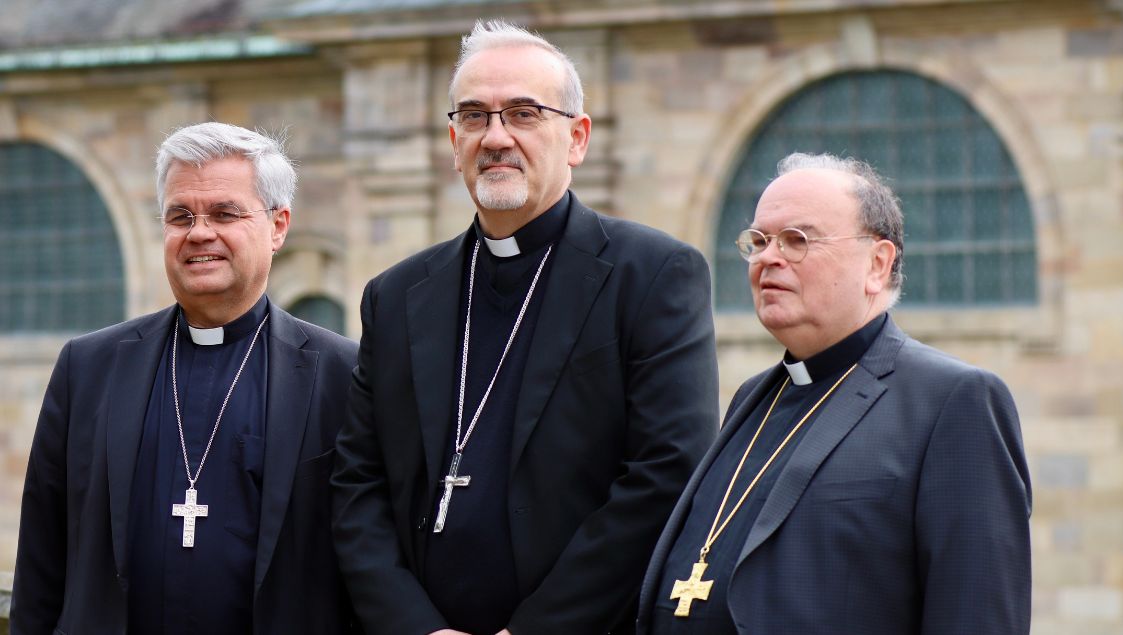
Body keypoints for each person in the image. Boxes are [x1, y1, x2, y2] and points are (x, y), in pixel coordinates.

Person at [332, 19, 719, 635]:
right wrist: (412, 625)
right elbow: (358, 482)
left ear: (577, 137)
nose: (496, 136)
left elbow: (668, 472)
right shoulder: (398, 294)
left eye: (523, 113)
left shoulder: (652, 275)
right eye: (475, 116)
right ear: (452, 138)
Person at [638, 152, 1032, 634]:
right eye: (759, 241)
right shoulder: (751, 400)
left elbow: (975, 615)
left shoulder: (953, 401)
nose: (768, 257)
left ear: (877, 264)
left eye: (797, 240)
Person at [11, 122, 358, 635]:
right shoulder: (87, 368)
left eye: (225, 213)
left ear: (278, 226)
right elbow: (41, 564)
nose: (199, 232)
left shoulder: (342, 375)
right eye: (180, 216)